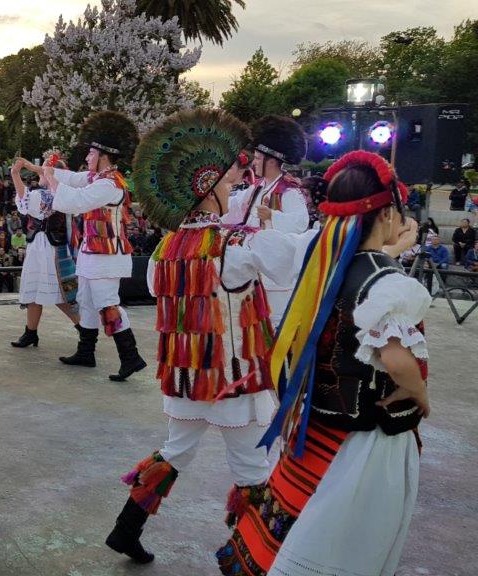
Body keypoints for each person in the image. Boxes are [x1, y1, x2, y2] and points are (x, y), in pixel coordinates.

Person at [218, 150, 429, 576]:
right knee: (346, 543)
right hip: (366, 435)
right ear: (387, 214)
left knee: (303, 521)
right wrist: (420, 394)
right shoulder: (387, 282)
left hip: (317, 423)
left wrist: (392, 252)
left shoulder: (323, 261)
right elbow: (395, 358)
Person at [105, 109, 298, 564]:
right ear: (207, 186)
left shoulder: (165, 250)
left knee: (175, 452)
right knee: (254, 470)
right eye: (228, 180)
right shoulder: (236, 247)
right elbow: (289, 262)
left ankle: (125, 528)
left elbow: (157, 290)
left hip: (187, 377)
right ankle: (252, 558)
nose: (236, 184)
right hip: (232, 380)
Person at [41, 111, 146, 382]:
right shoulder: (97, 178)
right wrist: (44, 170)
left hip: (107, 256)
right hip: (93, 254)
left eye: (90, 154)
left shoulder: (110, 185)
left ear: (104, 156)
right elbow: (73, 179)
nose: (86, 159)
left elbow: (74, 201)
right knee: (86, 302)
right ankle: (86, 352)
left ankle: (130, 356)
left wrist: (51, 178)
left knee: (107, 304)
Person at [222, 115, 310, 327]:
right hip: (258, 266)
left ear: (272, 161)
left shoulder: (288, 190)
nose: (255, 162)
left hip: (279, 270)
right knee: (261, 324)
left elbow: (301, 223)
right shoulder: (257, 188)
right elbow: (233, 208)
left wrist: (273, 217)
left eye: (259, 159)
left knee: (278, 321)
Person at [8, 156, 80, 348]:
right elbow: (25, 202)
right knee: (33, 290)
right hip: (38, 245)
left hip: (51, 248)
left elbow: (26, 202)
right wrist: (16, 173)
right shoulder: (44, 192)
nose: (40, 171)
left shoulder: (55, 194)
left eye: (45, 168)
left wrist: (17, 174)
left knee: (59, 293)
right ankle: (31, 332)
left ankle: (85, 330)